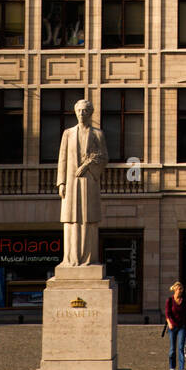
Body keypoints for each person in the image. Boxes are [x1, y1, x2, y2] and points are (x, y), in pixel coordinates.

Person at [57, 98, 108, 266]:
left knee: (88, 218)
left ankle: (88, 258)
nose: (81, 114)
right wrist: (61, 183)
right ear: (75, 112)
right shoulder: (68, 133)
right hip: (71, 182)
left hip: (88, 181)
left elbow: (103, 158)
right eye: (79, 111)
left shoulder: (97, 134)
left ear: (90, 113)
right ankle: (70, 258)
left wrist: (87, 165)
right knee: (71, 218)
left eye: (85, 111)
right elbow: (62, 159)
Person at [165, 280, 186, 370]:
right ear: (175, 289)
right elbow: (167, 314)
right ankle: (172, 365)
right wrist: (169, 323)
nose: (180, 291)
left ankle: (181, 368)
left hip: (182, 327)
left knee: (180, 347)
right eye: (179, 289)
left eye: (182, 289)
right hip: (172, 327)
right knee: (172, 349)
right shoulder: (170, 300)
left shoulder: (184, 301)